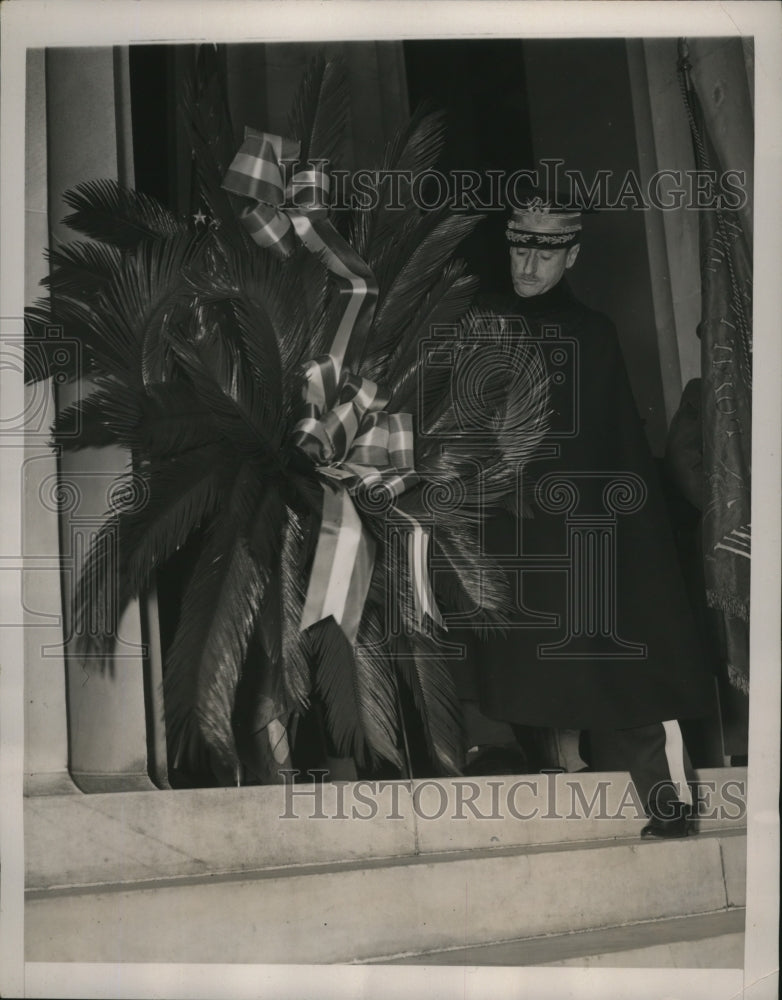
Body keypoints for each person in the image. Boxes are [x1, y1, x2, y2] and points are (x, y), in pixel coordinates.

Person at [469, 192, 716, 838]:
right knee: (482, 655)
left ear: (572, 255)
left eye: (547, 250)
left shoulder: (594, 335)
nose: (529, 263)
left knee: (617, 653)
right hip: (493, 533)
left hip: (576, 536)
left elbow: (619, 457)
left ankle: (664, 801)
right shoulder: (475, 322)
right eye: (521, 244)